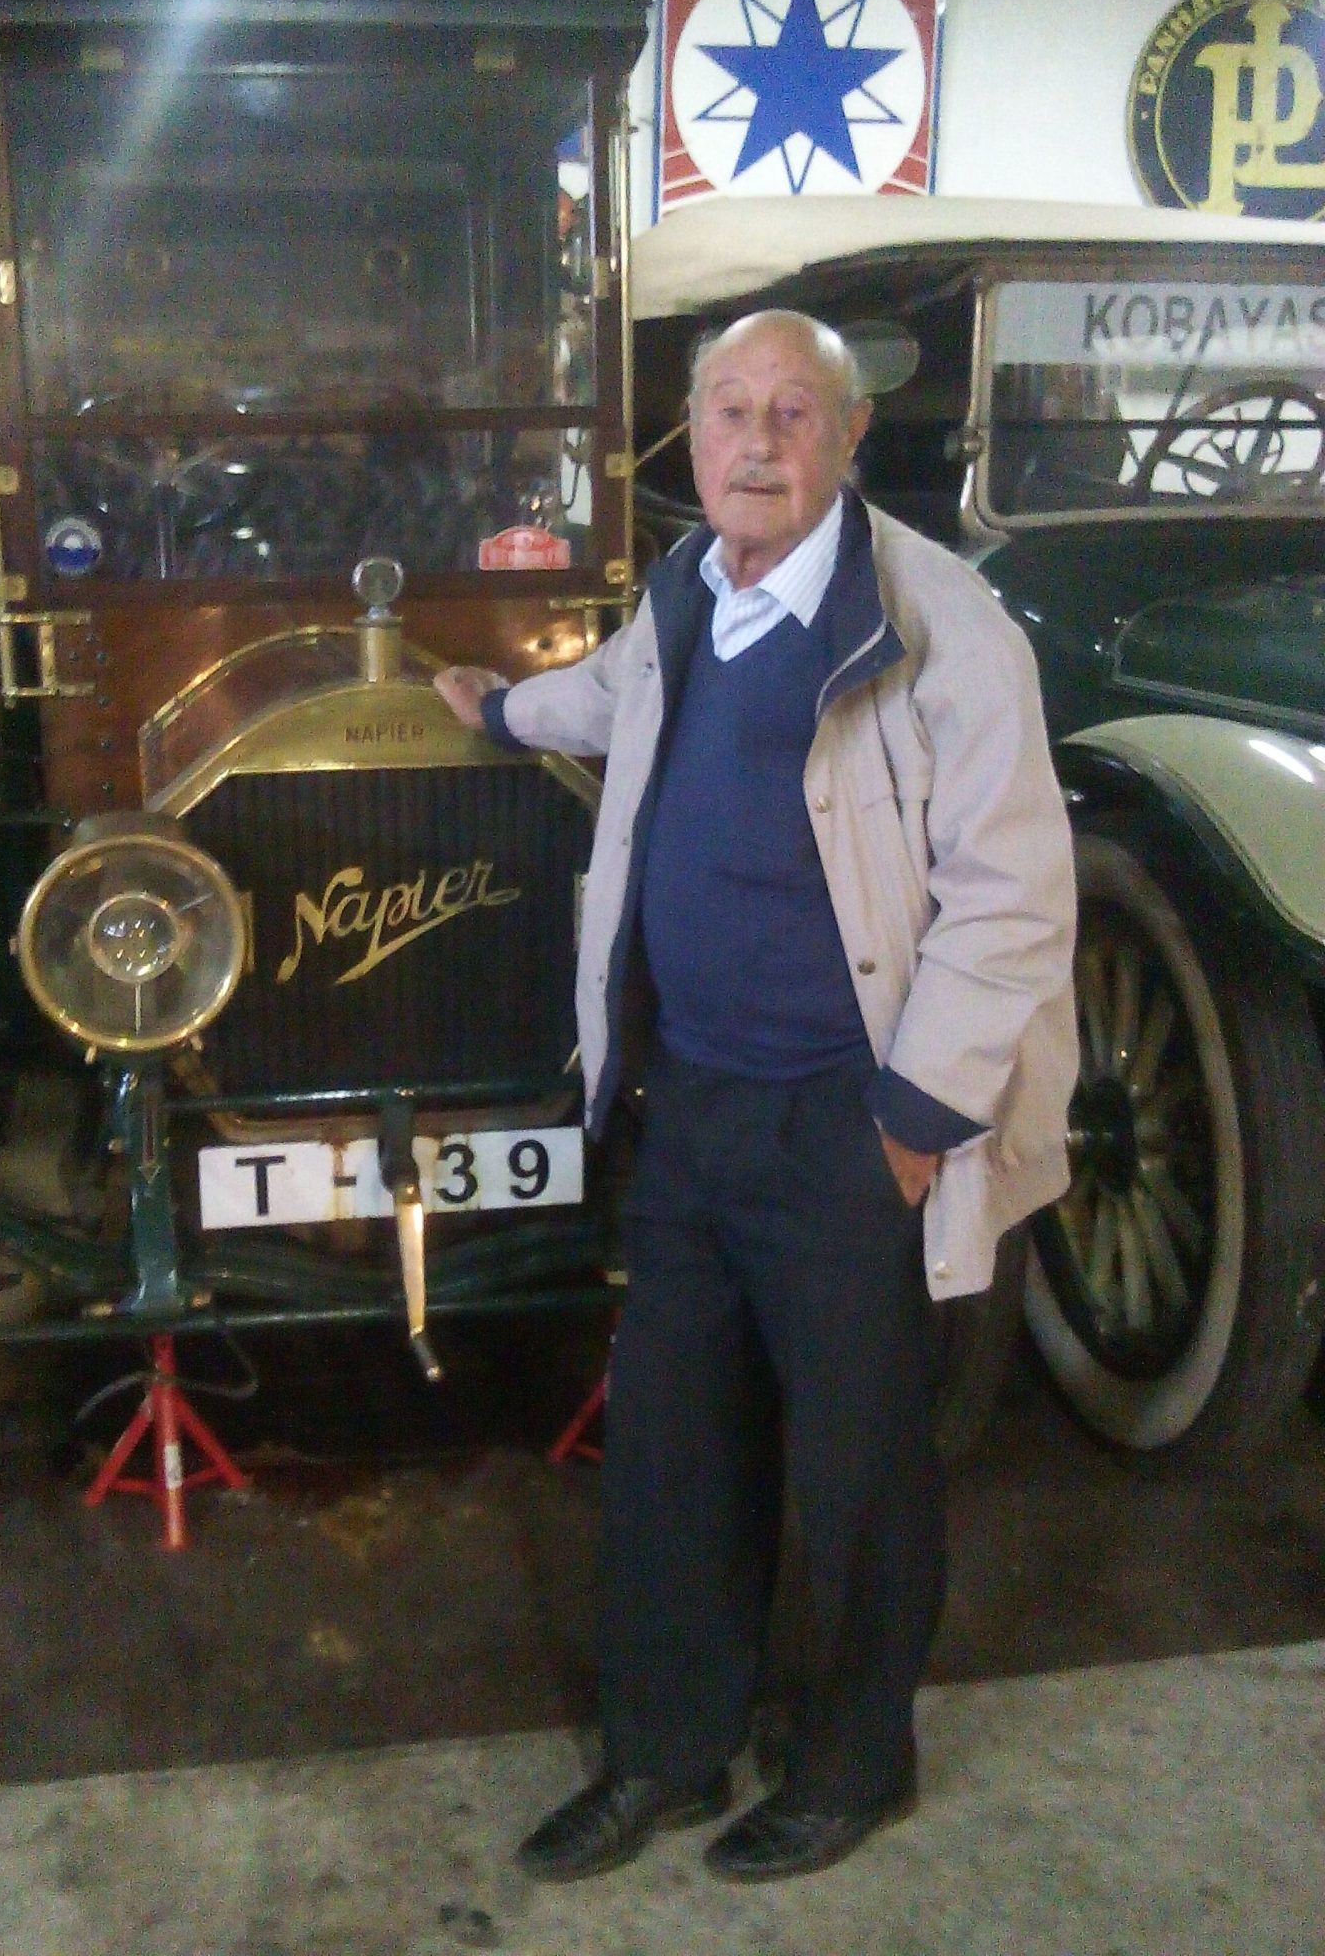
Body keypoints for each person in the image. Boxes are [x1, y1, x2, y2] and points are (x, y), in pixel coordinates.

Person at [435, 309, 1078, 1885]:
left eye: (796, 412)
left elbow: (1013, 894)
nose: (760, 440)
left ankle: (857, 1764)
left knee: (858, 1468)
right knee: (673, 1448)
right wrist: (501, 710)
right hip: (696, 1102)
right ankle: (667, 1751)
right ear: (694, 436)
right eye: (731, 411)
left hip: (850, 1122)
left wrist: (915, 1119)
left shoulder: (940, 627)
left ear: (850, 438)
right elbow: (613, 697)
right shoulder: (686, 588)